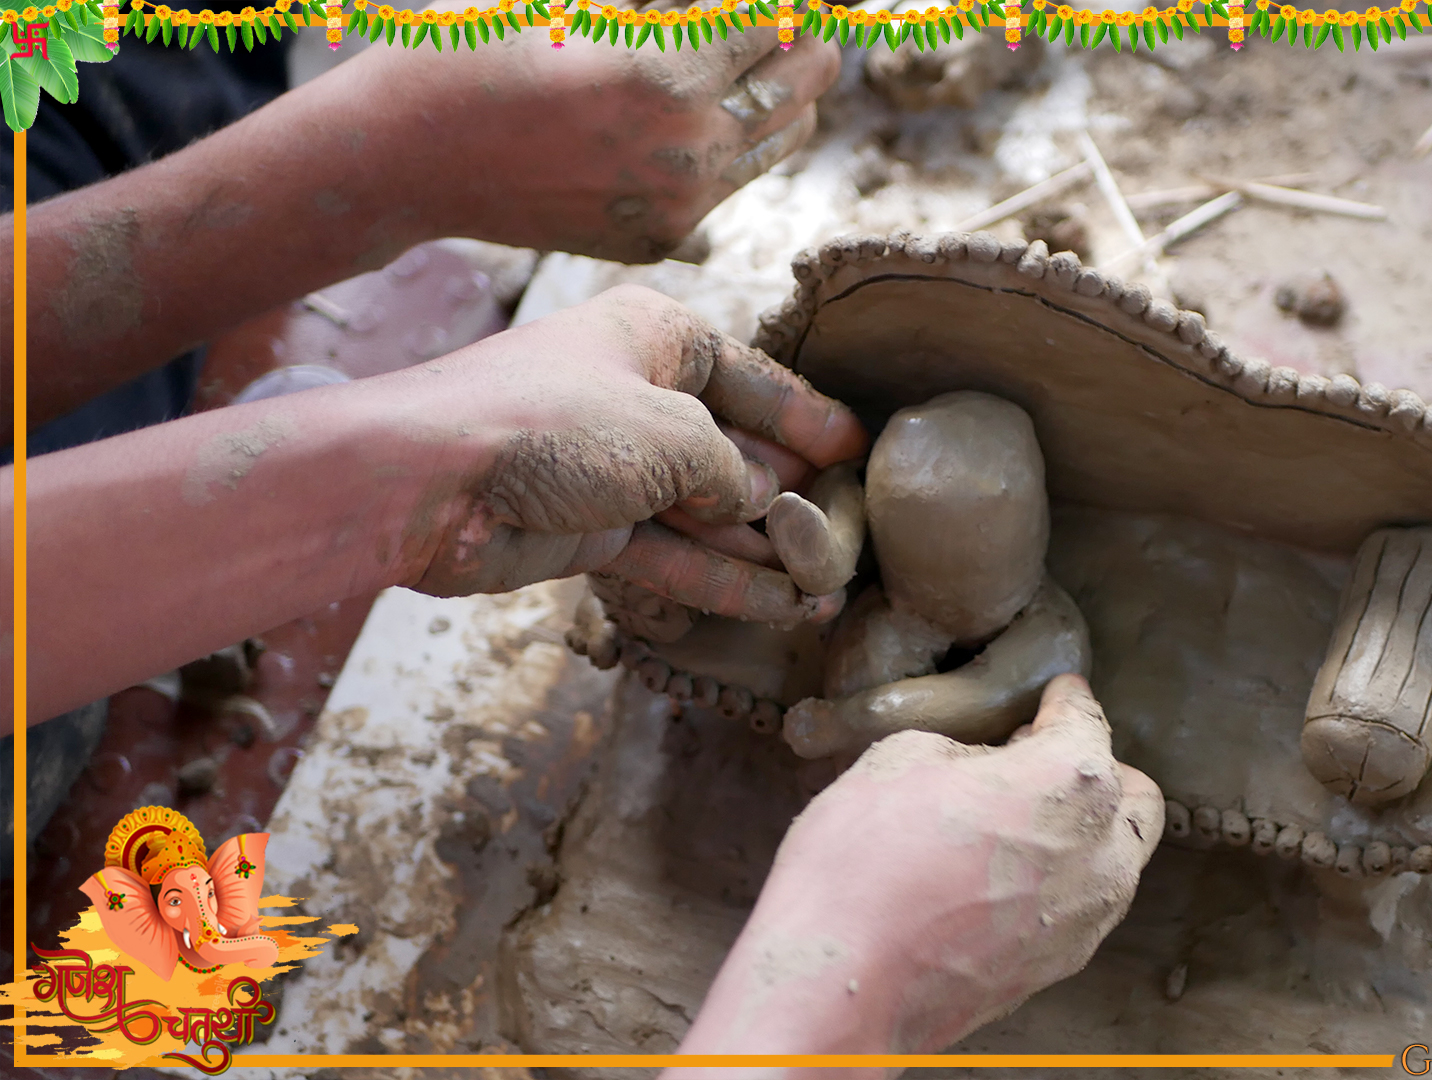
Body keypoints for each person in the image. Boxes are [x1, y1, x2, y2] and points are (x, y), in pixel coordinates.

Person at [3, 8, 1169, 1058]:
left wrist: (384, 178)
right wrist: (841, 999)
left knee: (114, 63)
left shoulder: (1041, 624)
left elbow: (976, 677)